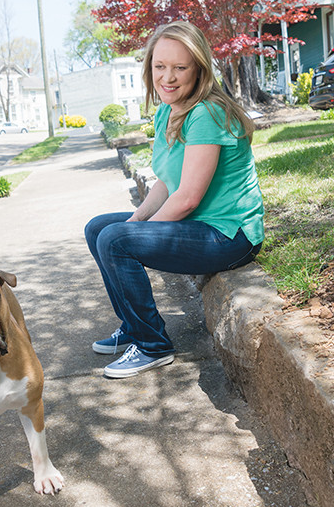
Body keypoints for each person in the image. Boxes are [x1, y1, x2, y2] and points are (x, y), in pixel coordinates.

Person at [85, 20, 264, 379]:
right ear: (149, 67)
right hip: (199, 225)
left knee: (115, 240)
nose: (168, 77)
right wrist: (136, 222)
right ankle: (135, 327)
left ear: (198, 69)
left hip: (229, 235)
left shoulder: (206, 113)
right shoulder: (170, 109)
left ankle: (152, 345)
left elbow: (187, 198)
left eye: (180, 67)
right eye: (160, 66)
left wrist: (132, 235)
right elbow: (167, 183)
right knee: (99, 229)